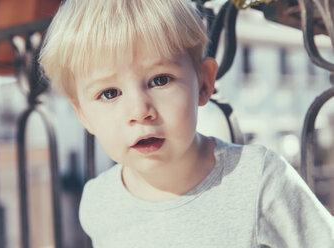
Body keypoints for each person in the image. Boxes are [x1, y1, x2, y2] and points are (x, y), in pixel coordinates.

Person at [39, 0, 334, 247]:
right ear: (83, 115)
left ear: (204, 83)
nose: (140, 111)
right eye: (110, 93)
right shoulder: (97, 202)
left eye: (160, 80)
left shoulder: (259, 178)